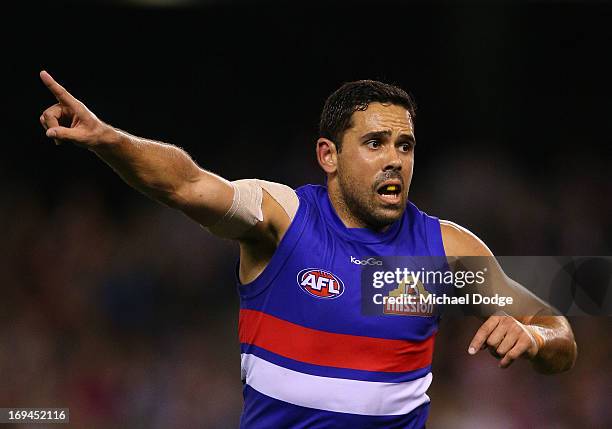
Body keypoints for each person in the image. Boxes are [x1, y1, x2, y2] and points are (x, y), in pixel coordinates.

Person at [39, 71, 577, 428]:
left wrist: (532, 335)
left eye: (405, 145)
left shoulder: (445, 253)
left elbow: (562, 333)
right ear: (328, 155)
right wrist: (111, 140)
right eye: (374, 143)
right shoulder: (283, 222)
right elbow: (186, 185)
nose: (395, 159)